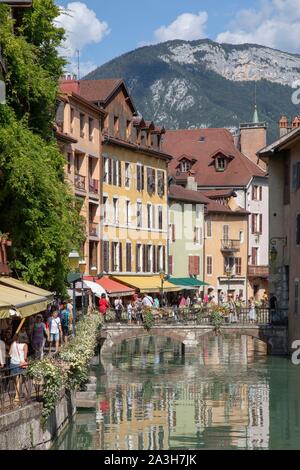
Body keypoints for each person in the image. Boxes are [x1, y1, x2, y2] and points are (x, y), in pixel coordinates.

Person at [9, 334, 28, 403]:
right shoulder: (25, 345)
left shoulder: (13, 343)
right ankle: (17, 397)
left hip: (12, 363)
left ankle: (17, 394)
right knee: (19, 381)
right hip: (20, 364)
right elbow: (25, 357)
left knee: (15, 380)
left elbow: (10, 353)